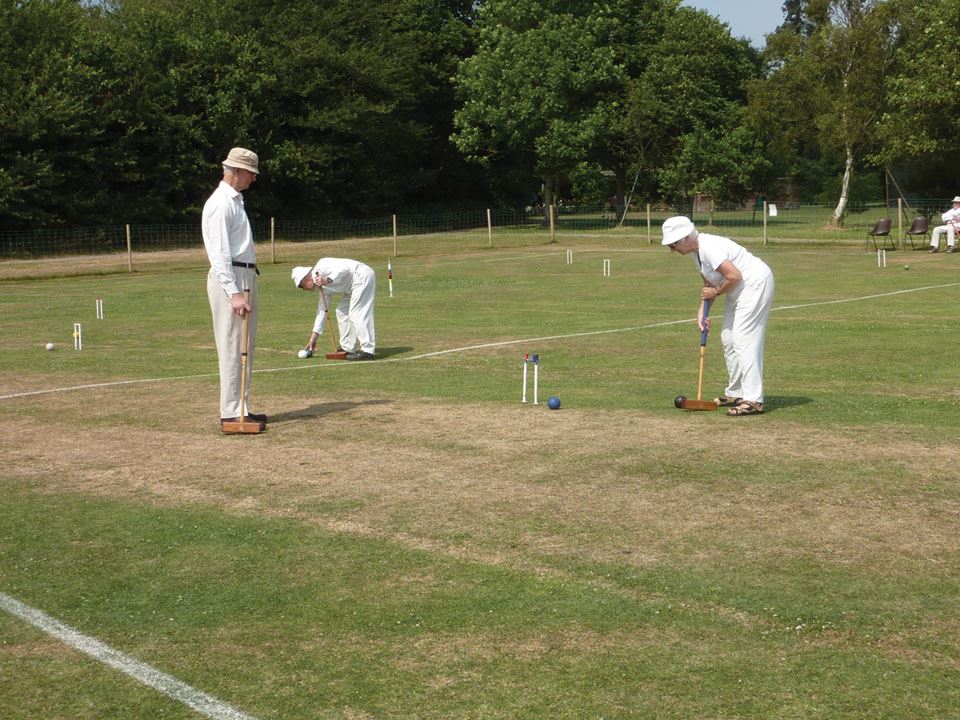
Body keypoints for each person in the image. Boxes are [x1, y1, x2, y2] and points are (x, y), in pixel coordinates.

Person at [662, 216, 775, 416]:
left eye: (673, 244)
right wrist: (702, 311)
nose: (672, 249)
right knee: (728, 338)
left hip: (754, 284)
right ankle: (736, 392)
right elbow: (709, 285)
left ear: (686, 237)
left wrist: (715, 293)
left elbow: (734, 276)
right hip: (736, 289)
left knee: (744, 340)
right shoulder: (695, 254)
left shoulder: (709, 248)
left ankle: (754, 400)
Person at [201, 147, 267, 429]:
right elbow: (218, 255)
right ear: (237, 171)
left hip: (245, 276)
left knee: (245, 347)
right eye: (251, 173)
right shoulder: (220, 203)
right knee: (231, 345)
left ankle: (241, 406)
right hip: (233, 277)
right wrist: (234, 292)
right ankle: (230, 411)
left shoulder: (236, 201)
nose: (253, 178)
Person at [291, 258, 377, 360]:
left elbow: (344, 269)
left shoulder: (322, 265)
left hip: (362, 276)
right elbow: (322, 310)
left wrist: (327, 280)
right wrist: (314, 337)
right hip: (352, 287)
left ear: (305, 278)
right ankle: (347, 348)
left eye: (301, 286)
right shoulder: (322, 288)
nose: (304, 289)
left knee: (356, 313)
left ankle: (368, 350)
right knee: (341, 311)